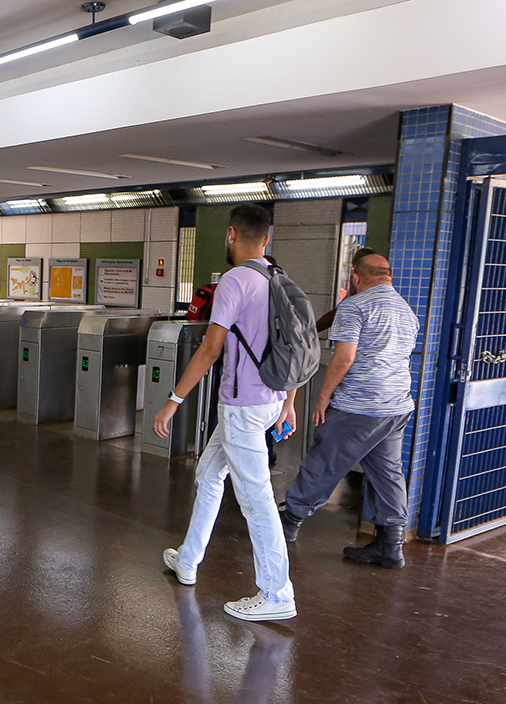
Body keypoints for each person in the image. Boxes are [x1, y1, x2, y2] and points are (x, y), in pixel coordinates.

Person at [154, 204, 300, 622]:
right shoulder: (278, 277)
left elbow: (210, 348)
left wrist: (173, 400)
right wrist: (288, 402)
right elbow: (293, 346)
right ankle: (188, 558)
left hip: (243, 407)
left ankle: (276, 592)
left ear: (232, 235)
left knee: (256, 500)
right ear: (266, 239)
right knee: (208, 474)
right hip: (270, 400)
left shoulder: (235, 281)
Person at [277, 254, 419, 569]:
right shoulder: (408, 311)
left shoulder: (355, 306)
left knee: (324, 460)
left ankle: (289, 520)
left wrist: (323, 396)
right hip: (396, 406)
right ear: (389, 277)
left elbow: (345, 358)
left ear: (355, 278)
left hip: (359, 405)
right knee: (387, 472)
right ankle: (390, 544)